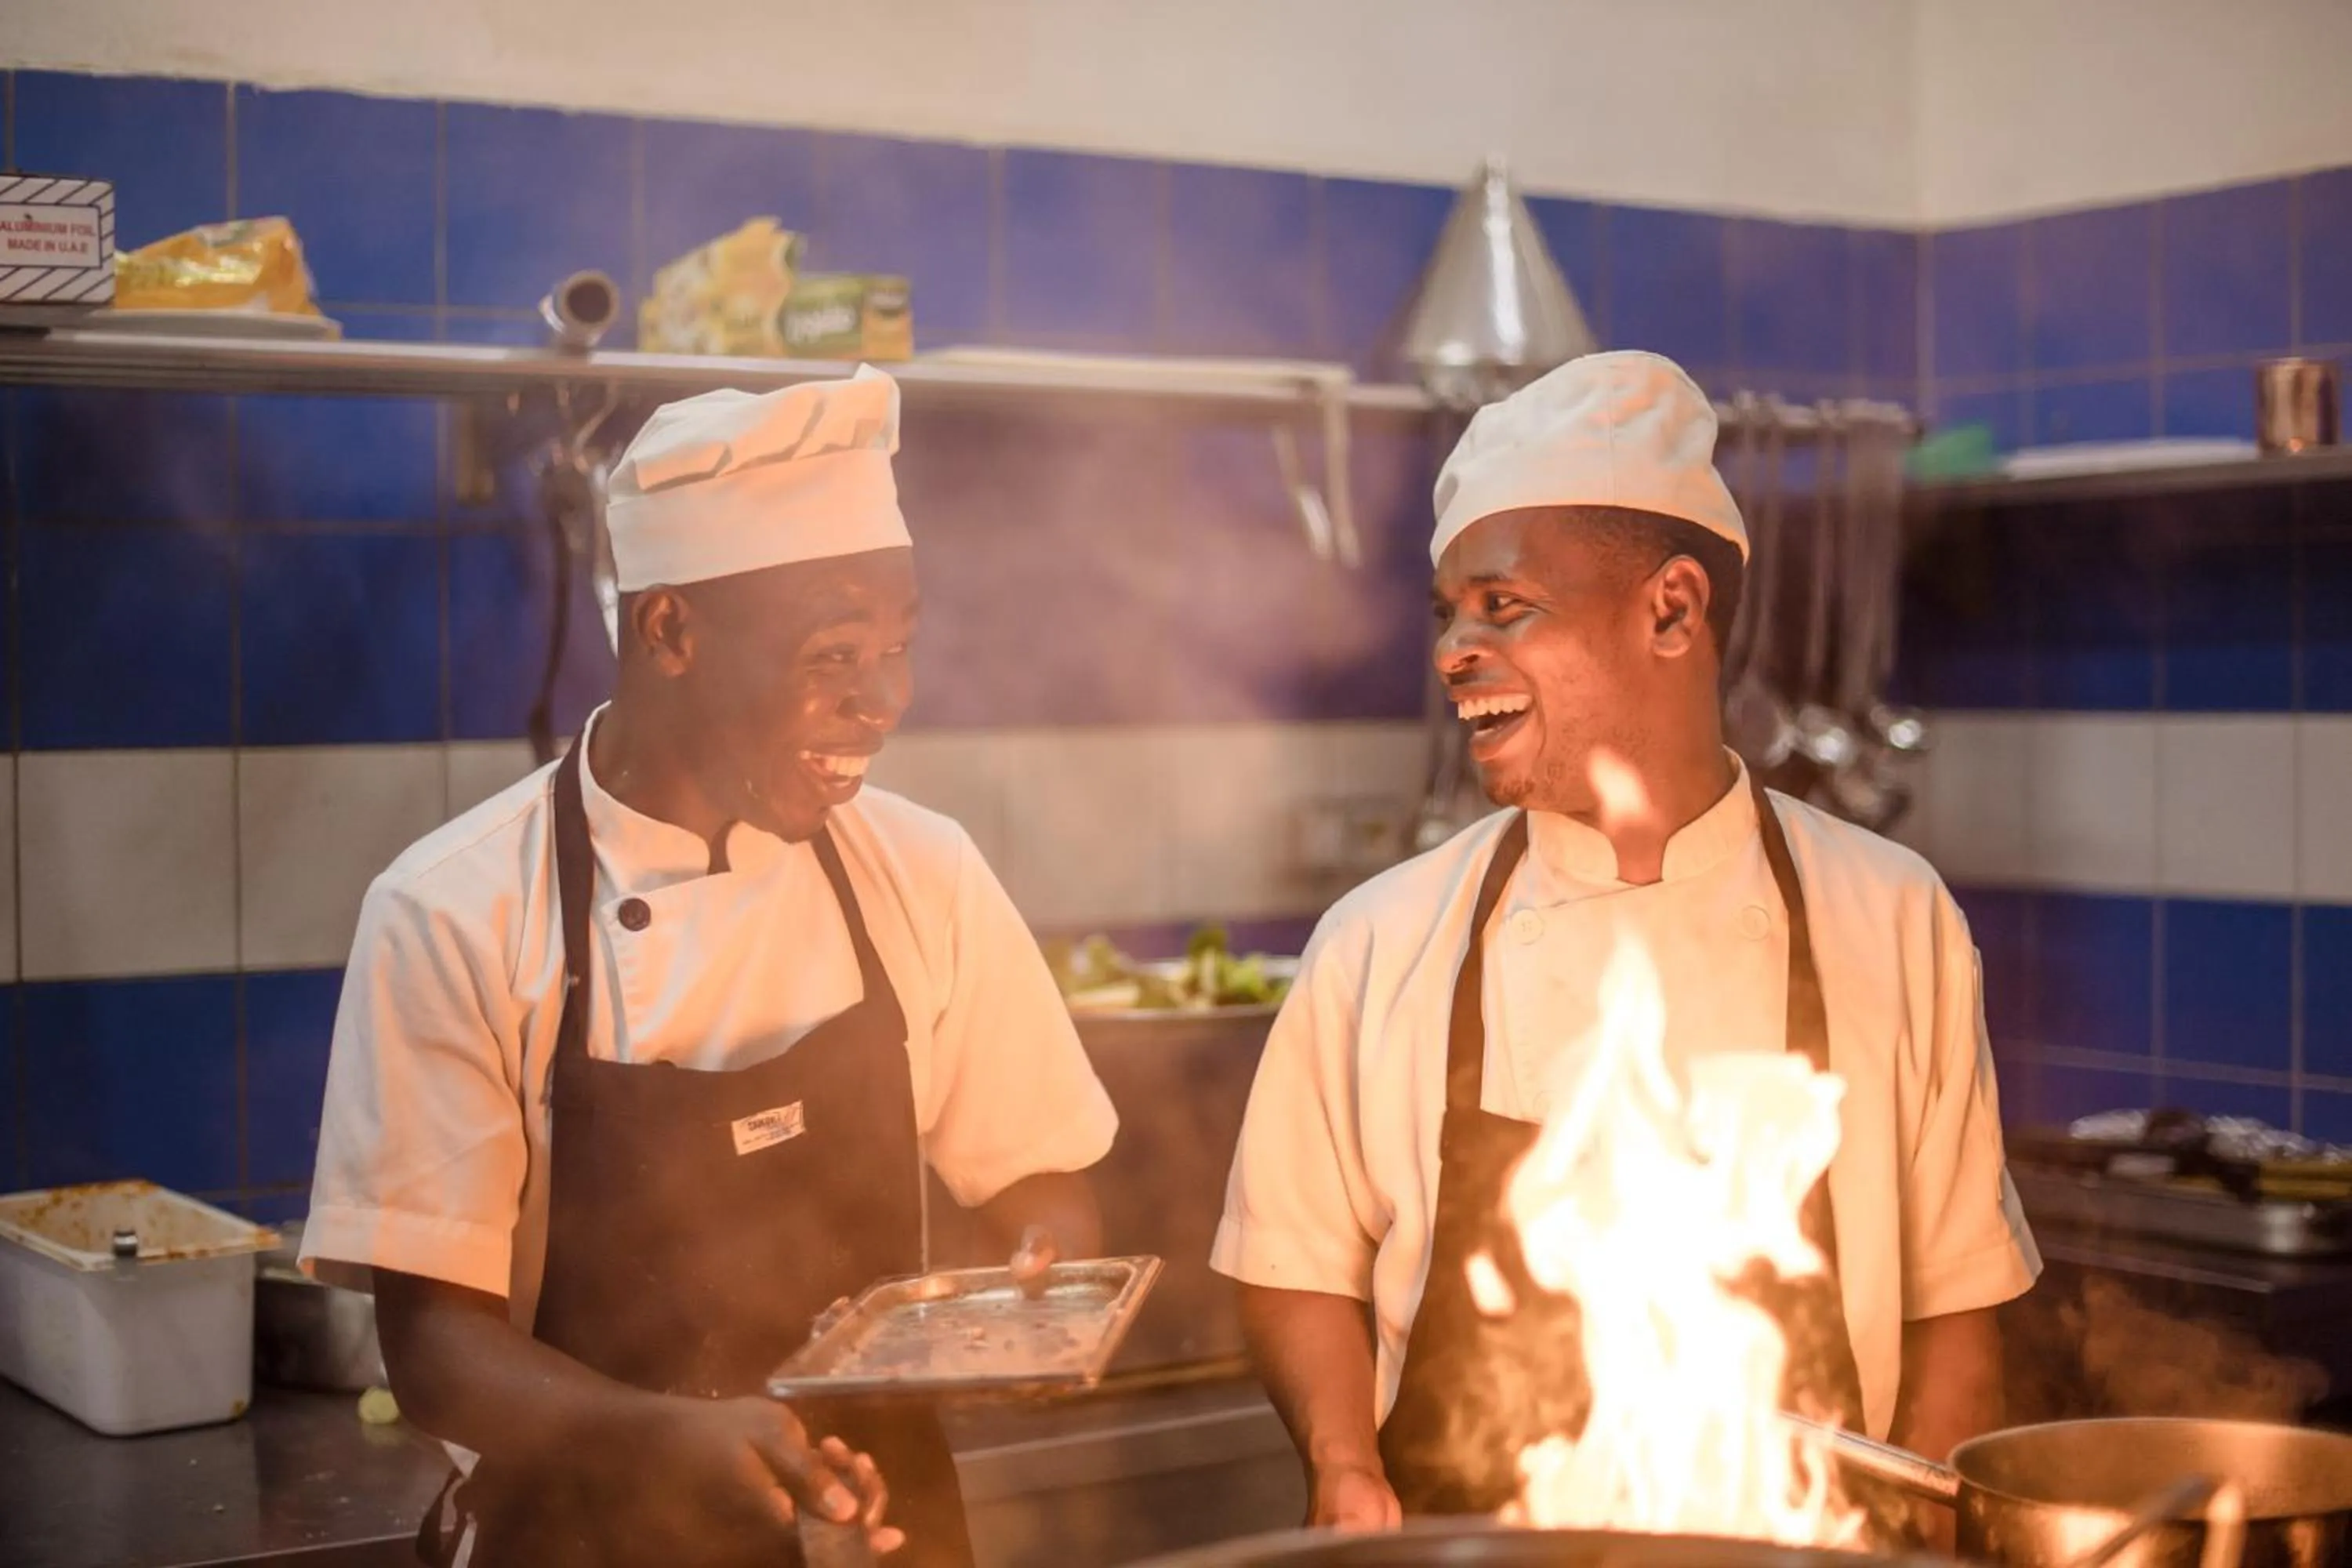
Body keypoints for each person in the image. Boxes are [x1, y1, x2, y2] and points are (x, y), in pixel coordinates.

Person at [1211, 350, 2038, 1543]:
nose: (1453, 651)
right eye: (1447, 614)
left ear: (1672, 610)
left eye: (1504, 605)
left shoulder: (1893, 917)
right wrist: (1342, 1464)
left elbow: (1954, 1307)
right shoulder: (1380, 939)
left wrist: (1914, 1538)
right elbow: (1292, 1261)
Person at [301, 368, 1118, 1568]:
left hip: (880, 1532)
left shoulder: (921, 869)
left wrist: (1039, 1286)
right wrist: (667, 1441)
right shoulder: (457, 911)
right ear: (670, 631)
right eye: (834, 653)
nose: (884, 700)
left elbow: (1039, 1178)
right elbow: (434, 1349)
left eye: (897, 647)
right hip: (582, 1533)